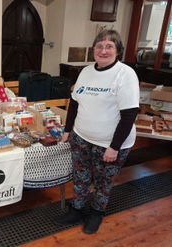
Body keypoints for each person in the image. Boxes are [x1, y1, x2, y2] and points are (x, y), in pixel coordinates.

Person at [54, 30, 139, 234]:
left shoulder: (125, 74)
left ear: (118, 50)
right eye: (99, 46)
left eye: (109, 46)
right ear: (94, 50)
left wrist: (114, 147)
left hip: (109, 144)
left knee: (103, 182)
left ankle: (96, 214)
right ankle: (76, 210)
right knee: (81, 176)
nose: (103, 50)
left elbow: (129, 115)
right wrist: (68, 131)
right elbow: (74, 103)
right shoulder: (86, 72)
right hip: (82, 137)